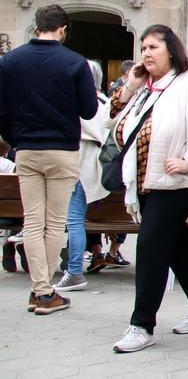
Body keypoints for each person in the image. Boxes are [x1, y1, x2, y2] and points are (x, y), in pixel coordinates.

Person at [109, 25, 188, 353]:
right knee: (178, 248)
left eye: (153, 47)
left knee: (150, 248)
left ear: (171, 50)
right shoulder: (145, 88)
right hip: (144, 183)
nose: (146, 53)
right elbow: (113, 122)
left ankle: (142, 325)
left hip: (176, 184)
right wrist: (130, 86)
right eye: (143, 48)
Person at [0, 4, 99, 315]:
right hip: (62, 149)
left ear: (37, 25)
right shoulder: (75, 62)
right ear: (63, 29)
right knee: (55, 223)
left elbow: (1, 111)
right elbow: (89, 111)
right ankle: (45, 293)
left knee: (32, 221)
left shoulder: (10, 60)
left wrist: (16, 138)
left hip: (26, 148)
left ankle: (40, 289)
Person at [55, 60, 111, 293]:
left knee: (74, 219)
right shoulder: (106, 102)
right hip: (98, 170)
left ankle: (75, 270)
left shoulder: (79, 104)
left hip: (80, 167)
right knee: (75, 218)